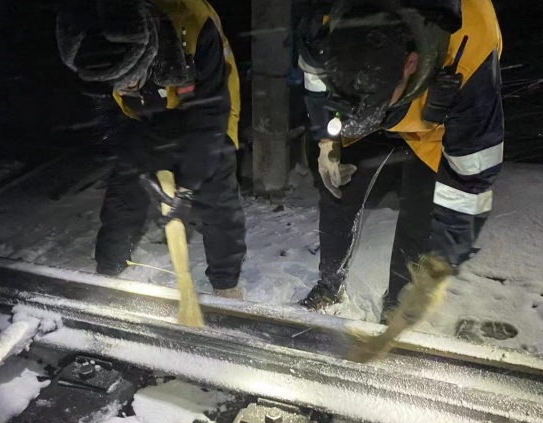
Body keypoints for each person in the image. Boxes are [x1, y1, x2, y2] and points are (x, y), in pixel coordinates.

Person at [296, 0, 504, 320]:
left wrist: (447, 251)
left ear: (410, 64)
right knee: (339, 193)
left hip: (434, 122)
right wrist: (326, 139)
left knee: (420, 213)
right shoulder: (322, 27)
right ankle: (329, 285)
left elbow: (472, 174)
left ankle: (399, 302)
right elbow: (314, 80)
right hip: (366, 106)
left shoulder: (470, 52)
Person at [57, 0, 246, 298]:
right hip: (138, 116)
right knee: (125, 192)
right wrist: (138, 165)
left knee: (217, 195)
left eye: (129, 80)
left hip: (201, 104)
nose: (123, 88)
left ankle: (226, 285)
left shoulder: (195, 26)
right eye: (116, 84)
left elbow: (210, 119)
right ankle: (108, 273)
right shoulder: (89, 37)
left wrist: (187, 188)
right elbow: (110, 120)